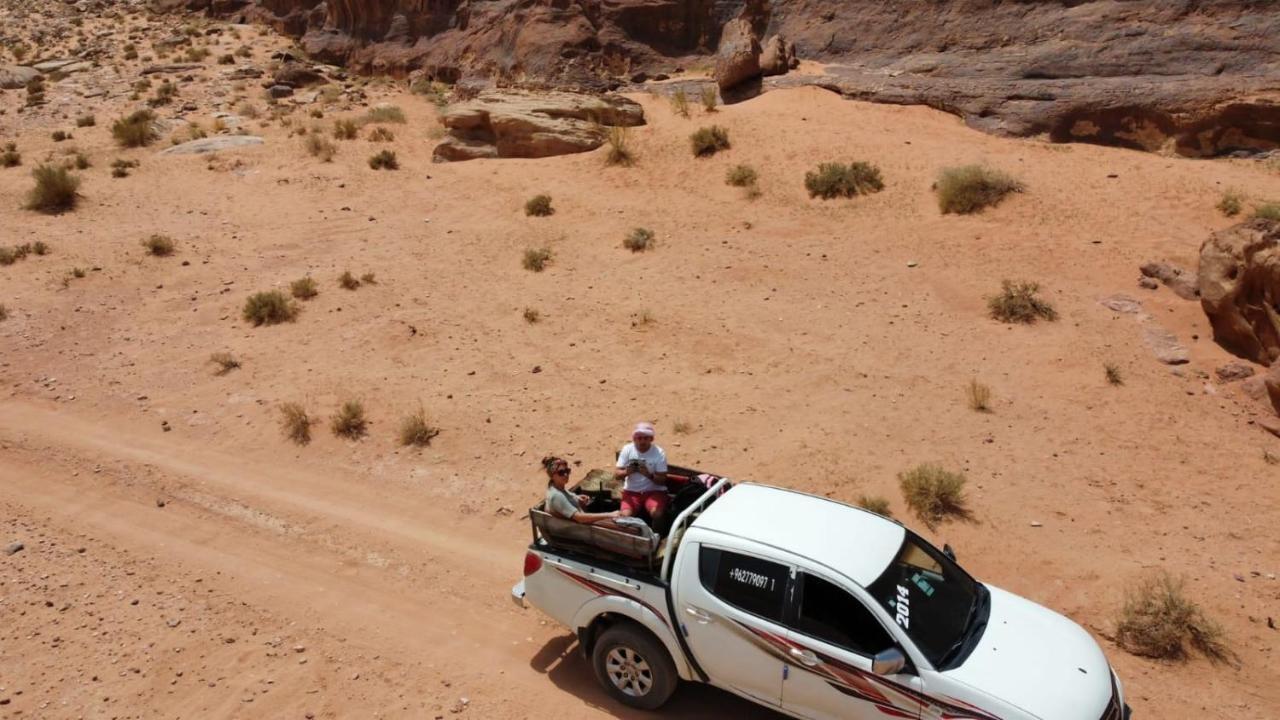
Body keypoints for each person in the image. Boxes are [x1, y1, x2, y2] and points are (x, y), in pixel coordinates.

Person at [614, 422, 669, 524]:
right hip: (632, 492)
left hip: (654, 491)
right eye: (639, 438)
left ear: (651, 439)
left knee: (658, 514)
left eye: (645, 438)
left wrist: (648, 474)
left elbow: (662, 480)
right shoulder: (628, 449)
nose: (642, 441)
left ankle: (658, 536)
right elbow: (617, 474)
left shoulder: (659, 452)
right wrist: (627, 471)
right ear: (634, 439)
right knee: (623, 518)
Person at [542, 456, 620, 525]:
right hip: (578, 530)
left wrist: (576, 497)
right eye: (561, 472)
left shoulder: (557, 488)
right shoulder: (557, 496)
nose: (566, 475)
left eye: (567, 471)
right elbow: (580, 518)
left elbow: (566, 498)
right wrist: (610, 514)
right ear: (552, 476)